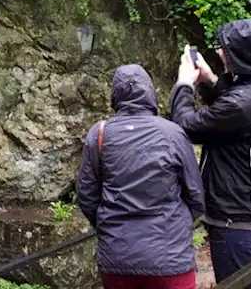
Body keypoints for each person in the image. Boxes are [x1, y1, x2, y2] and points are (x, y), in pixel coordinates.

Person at [169, 18, 251, 289]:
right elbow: (241, 113)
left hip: (240, 226)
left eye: (225, 49)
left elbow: (187, 125)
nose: (219, 52)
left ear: (246, 56)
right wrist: (211, 80)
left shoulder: (242, 104)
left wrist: (184, 84)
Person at [77, 64, 205, 289]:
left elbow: (87, 195)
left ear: (115, 95)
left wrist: (109, 225)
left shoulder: (100, 134)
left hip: (118, 257)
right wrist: (176, 226)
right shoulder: (173, 133)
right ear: (150, 93)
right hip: (169, 257)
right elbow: (196, 194)